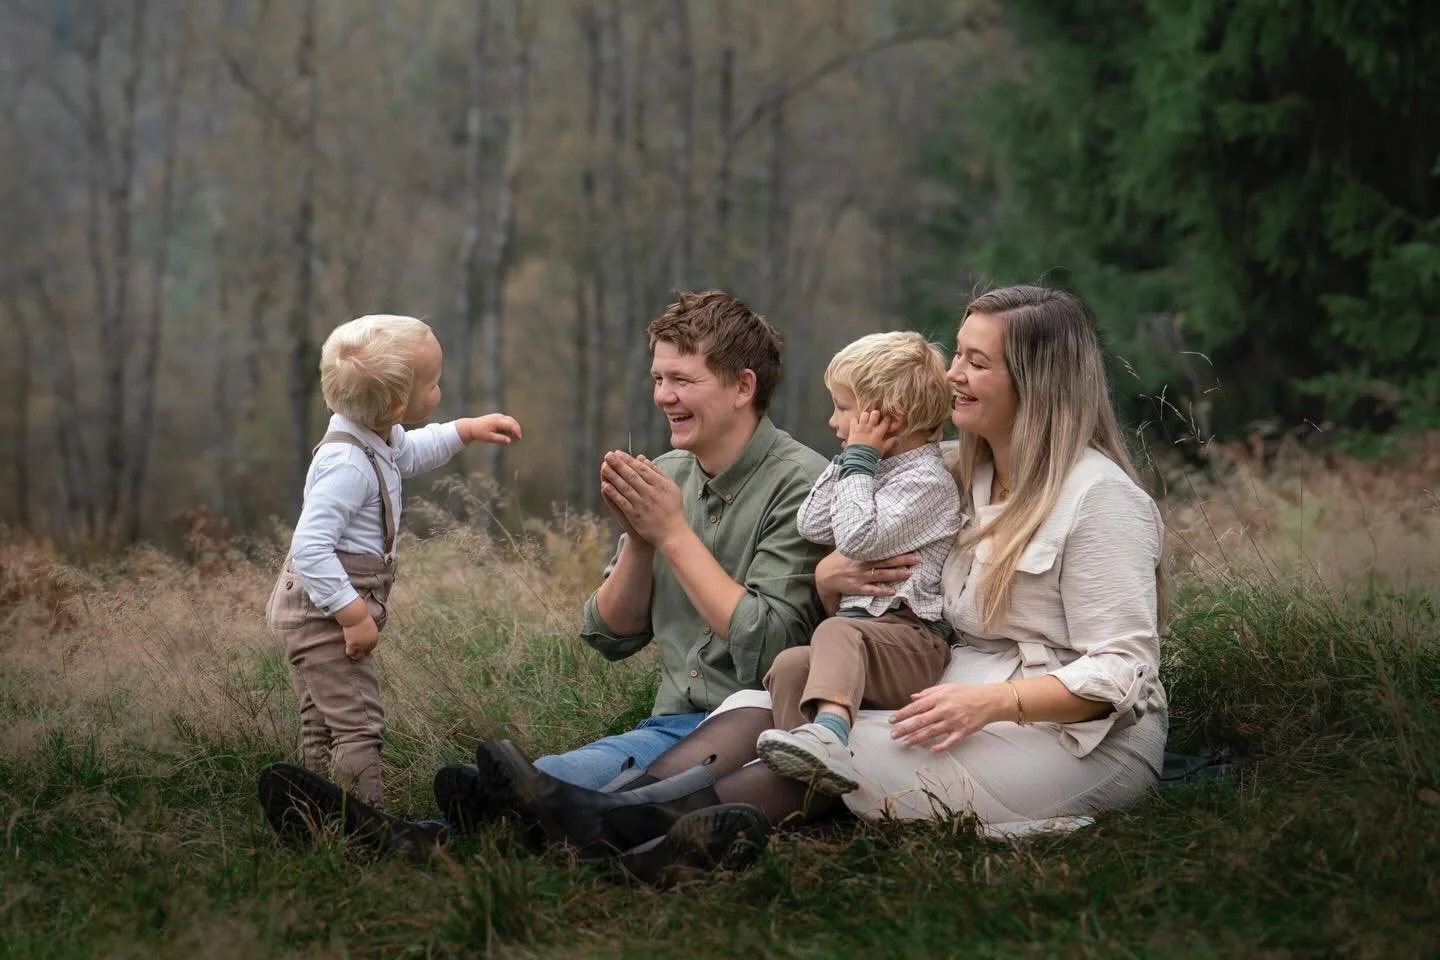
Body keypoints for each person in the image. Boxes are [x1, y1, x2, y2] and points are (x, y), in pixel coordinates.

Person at [476, 283, 1168, 877]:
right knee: (758, 699)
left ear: (1036, 380)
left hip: (1079, 739)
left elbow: (1122, 672)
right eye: (957, 353)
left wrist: (989, 706)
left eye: (976, 362)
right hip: (961, 685)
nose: (951, 374)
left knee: (832, 747)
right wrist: (833, 579)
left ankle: (655, 843)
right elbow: (874, 552)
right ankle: (621, 812)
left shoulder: (1099, 498)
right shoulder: (960, 472)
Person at [258, 291, 831, 878]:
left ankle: (414, 843)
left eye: (682, 380)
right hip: (668, 725)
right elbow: (609, 634)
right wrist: (639, 539)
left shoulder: (805, 486)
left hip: (755, 729)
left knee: (576, 806)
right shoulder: (668, 474)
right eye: (657, 378)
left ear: (742, 385)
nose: (663, 396)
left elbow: (772, 646)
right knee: (542, 785)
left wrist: (673, 535)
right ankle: (406, 839)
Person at [263, 314, 522, 809]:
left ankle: (309, 811)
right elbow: (310, 548)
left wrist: (465, 430)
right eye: (434, 384)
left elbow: (412, 452)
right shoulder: (347, 466)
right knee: (359, 722)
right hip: (323, 611)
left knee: (322, 719)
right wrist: (353, 614)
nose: (440, 390)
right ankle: (367, 823)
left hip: (320, 604)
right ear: (399, 406)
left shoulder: (373, 436)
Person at [754, 331, 963, 796]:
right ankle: (803, 778)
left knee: (835, 631)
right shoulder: (870, 470)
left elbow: (856, 537)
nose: (833, 420)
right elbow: (811, 523)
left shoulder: (927, 482)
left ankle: (830, 735)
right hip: (862, 640)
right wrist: (853, 458)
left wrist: (859, 458)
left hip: (913, 643)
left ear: (892, 419)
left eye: (844, 409)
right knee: (790, 664)